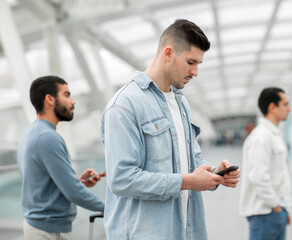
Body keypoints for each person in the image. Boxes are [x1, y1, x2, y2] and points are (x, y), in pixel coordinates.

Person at [100, 19, 240, 240]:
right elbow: (121, 179)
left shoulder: (181, 103)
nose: (195, 72)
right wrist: (187, 181)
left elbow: (191, 161)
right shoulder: (125, 105)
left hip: (183, 231)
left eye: (199, 64)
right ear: (168, 53)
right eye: (191, 62)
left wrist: (214, 175)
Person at [17, 76, 105, 240]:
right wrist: (110, 208)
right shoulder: (48, 138)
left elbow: (42, 185)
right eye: (66, 95)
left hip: (41, 227)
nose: (73, 102)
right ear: (50, 99)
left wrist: (77, 182)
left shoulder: (32, 132)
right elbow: (74, 193)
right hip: (49, 232)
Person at [238, 87, 292, 240]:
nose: (289, 109)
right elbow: (258, 176)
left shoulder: (273, 134)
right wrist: (276, 206)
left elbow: (281, 175)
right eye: (285, 104)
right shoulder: (261, 137)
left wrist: (284, 209)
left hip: (275, 211)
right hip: (265, 213)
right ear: (272, 107)